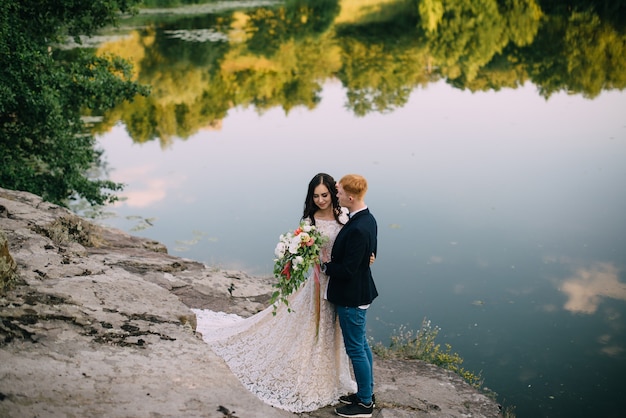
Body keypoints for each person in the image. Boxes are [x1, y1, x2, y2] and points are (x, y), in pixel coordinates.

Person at [193, 173, 373, 413]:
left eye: (325, 195)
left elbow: (363, 238)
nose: (321, 200)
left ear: (333, 193)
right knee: (317, 329)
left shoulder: (345, 215)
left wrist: (370, 256)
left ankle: (354, 390)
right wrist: (305, 258)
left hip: (342, 283)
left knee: (347, 338)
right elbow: (312, 252)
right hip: (320, 282)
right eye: (316, 196)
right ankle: (315, 374)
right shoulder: (310, 221)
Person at [320, 174, 378, 418]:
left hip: (352, 297)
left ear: (351, 197)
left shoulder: (358, 228)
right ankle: (366, 393)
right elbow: (371, 251)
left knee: (355, 348)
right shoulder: (367, 218)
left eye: (340, 192)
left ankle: (364, 403)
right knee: (361, 346)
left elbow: (347, 270)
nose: (337, 196)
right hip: (359, 292)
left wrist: (325, 265)